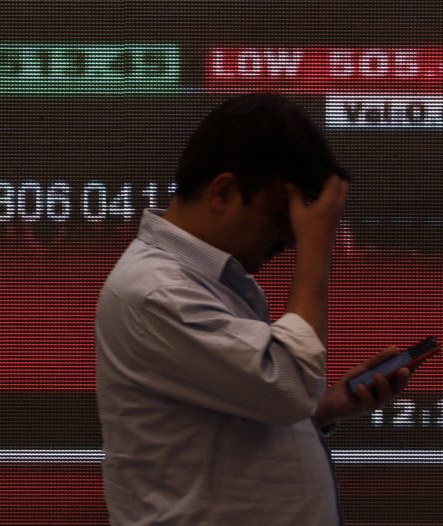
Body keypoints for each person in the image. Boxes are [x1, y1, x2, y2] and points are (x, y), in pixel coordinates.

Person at [94, 93, 412, 525]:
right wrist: (318, 248)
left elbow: (221, 433)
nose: (289, 240)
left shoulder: (204, 282)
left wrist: (323, 411)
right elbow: (287, 387)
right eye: (281, 218)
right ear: (223, 192)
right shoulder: (156, 291)